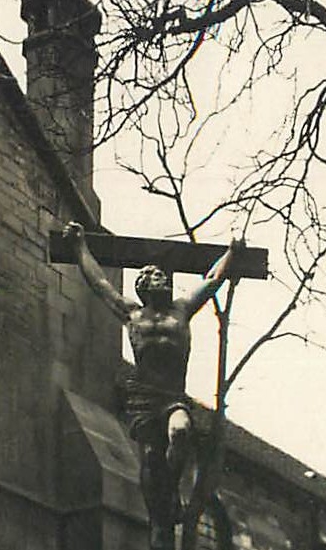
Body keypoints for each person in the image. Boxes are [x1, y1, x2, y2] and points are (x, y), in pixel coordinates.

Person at [64, 225, 242, 529]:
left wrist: (232, 252)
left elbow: (213, 279)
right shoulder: (132, 313)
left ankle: (171, 491)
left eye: (164, 275)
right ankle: (157, 513)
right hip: (143, 397)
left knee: (181, 431)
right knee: (149, 457)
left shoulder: (182, 310)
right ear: (144, 286)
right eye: (156, 276)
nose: (164, 279)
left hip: (172, 397)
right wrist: (80, 248)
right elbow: (99, 283)